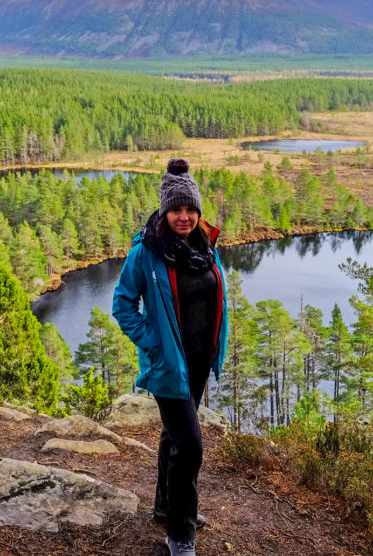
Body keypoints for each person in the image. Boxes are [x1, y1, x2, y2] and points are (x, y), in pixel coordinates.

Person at [113, 158, 228, 556]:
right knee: (191, 447)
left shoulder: (205, 247)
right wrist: (155, 344)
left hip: (197, 363)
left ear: (198, 211)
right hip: (169, 365)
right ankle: (180, 535)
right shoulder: (146, 253)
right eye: (176, 209)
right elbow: (123, 305)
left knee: (174, 437)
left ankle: (165, 505)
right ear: (165, 211)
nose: (184, 216)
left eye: (190, 209)